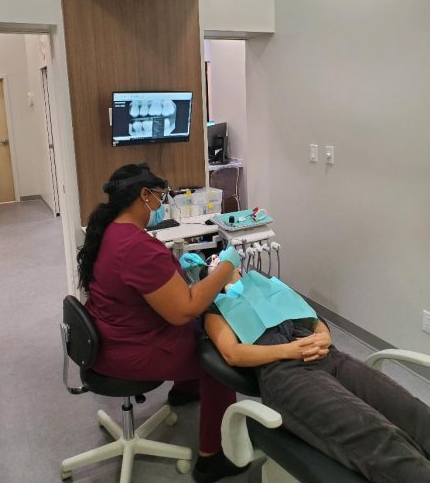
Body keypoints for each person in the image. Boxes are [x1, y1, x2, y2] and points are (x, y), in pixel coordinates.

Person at [77, 163, 248, 483]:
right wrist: (225, 268)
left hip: (108, 336)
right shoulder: (138, 247)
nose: (161, 204)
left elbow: (146, 287)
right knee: (219, 354)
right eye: (160, 196)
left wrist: (178, 272)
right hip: (129, 351)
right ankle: (212, 459)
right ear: (144, 195)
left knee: (197, 325)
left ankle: (185, 390)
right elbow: (184, 310)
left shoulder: (111, 231)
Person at [204, 268, 430, 483]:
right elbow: (232, 353)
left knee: (413, 412)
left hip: (330, 357)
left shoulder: (269, 287)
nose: (218, 259)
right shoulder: (216, 308)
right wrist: (289, 351)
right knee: (379, 436)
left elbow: (314, 320)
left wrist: (324, 335)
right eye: (213, 261)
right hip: (285, 373)